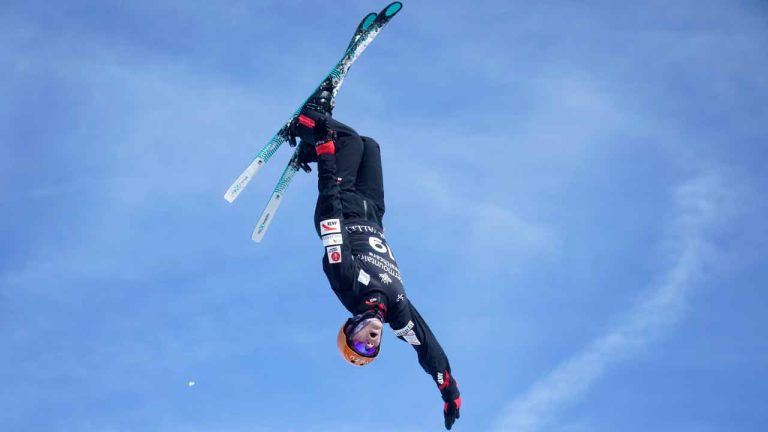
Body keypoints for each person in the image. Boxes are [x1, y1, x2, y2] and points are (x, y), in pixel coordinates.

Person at [288, 90, 462, 430]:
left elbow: (330, 217)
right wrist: (449, 391)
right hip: (373, 212)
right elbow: (429, 350)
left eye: (359, 343)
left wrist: (324, 151)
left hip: (342, 203)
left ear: (350, 327)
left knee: (347, 140)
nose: (370, 341)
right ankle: (312, 145)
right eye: (372, 348)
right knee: (370, 146)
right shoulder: (398, 315)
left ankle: (304, 123)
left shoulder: (347, 281)